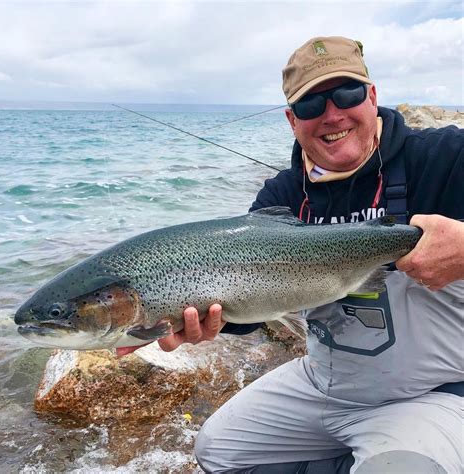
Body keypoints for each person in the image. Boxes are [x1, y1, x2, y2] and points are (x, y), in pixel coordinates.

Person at [119, 36, 464, 473]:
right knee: (217, 451)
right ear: (291, 120)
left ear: (372, 96)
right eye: (310, 105)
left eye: (347, 93)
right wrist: (205, 321)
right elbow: (254, 313)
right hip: (325, 386)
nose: (332, 113)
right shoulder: (281, 196)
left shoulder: (445, 158)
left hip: (430, 393)